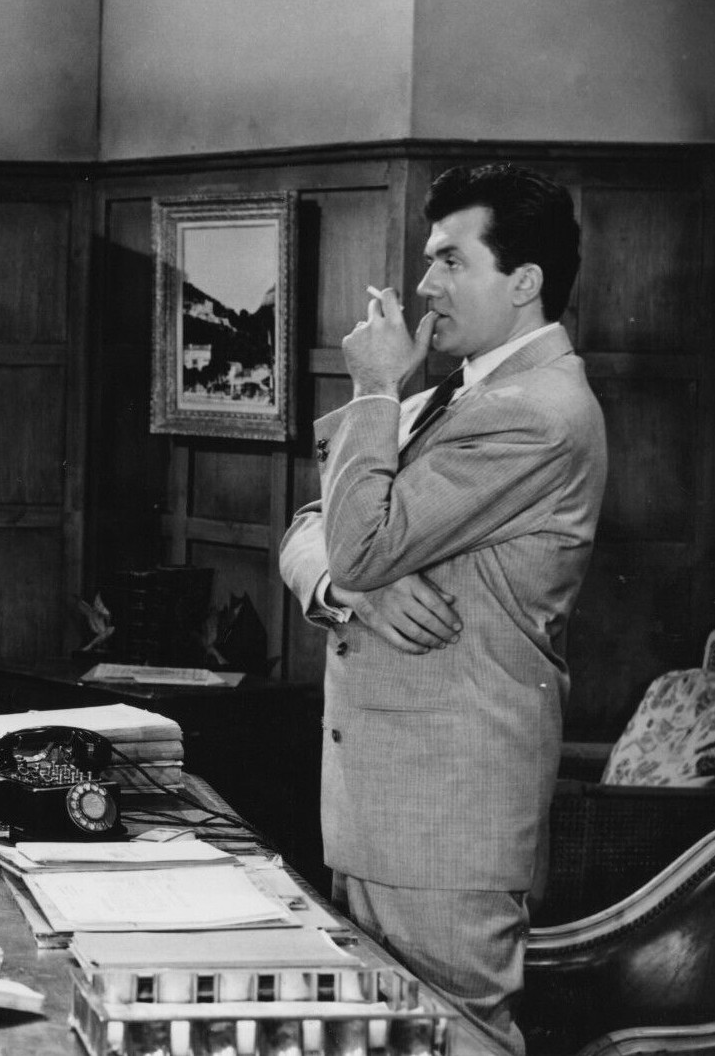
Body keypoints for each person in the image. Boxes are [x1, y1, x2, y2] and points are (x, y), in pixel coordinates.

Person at [279, 163, 606, 1054]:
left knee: (457, 1043)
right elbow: (310, 527)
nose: (424, 285)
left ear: (523, 281)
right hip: (387, 812)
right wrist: (352, 589)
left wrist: (372, 390)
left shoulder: (535, 412)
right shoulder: (459, 395)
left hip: (444, 823)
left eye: (450, 261)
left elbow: (357, 536)